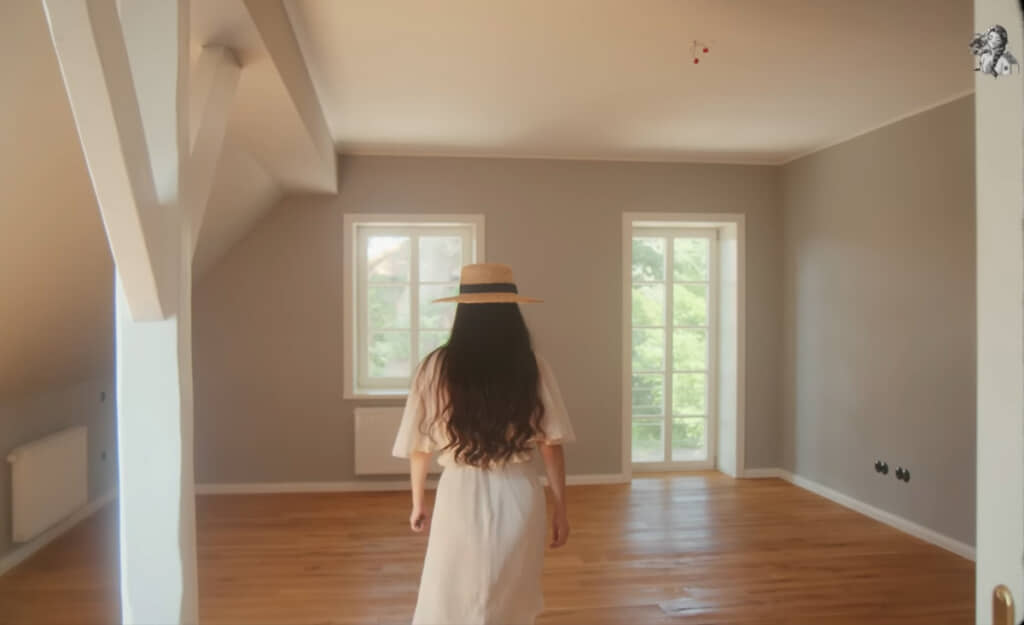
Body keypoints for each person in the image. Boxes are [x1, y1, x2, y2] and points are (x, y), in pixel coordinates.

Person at [392, 263, 575, 625]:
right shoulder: (531, 366)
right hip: (519, 491)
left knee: (450, 587)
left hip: (459, 491)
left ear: (462, 312)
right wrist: (560, 508)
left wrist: (417, 502)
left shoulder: (434, 367)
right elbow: (550, 444)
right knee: (510, 591)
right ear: (512, 313)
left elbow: (419, 445)